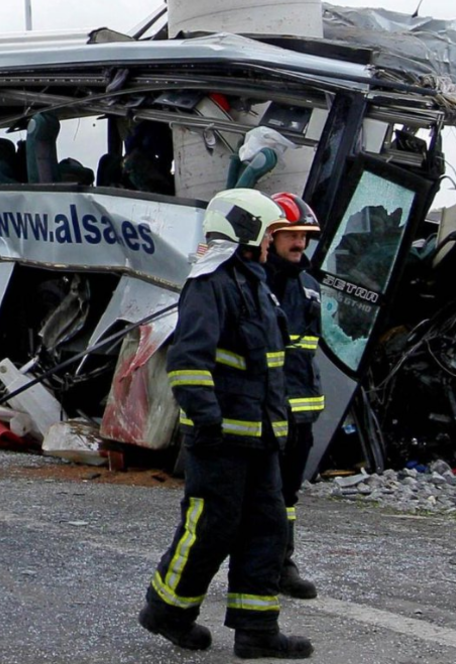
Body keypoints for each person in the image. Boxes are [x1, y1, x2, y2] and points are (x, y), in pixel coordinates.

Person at [140, 188, 313, 660]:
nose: (275, 240)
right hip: (221, 439)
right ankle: (167, 610)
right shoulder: (209, 282)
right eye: (271, 231)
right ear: (249, 230)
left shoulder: (255, 282)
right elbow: (188, 362)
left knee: (267, 529)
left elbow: (269, 366)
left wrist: (284, 424)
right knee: (211, 527)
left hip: (260, 439)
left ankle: (257, 631)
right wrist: (208, 420)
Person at [265, 193, 325, 600]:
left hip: (299, 416)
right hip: (263, 413)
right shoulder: (252, 282)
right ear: (270, 234)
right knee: (257, 494)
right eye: (291, 234)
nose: (299, 243)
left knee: (286, 496)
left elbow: (307, 353)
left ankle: (281, 563)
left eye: (304, 235)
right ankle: (254, 566)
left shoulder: (309, 289)